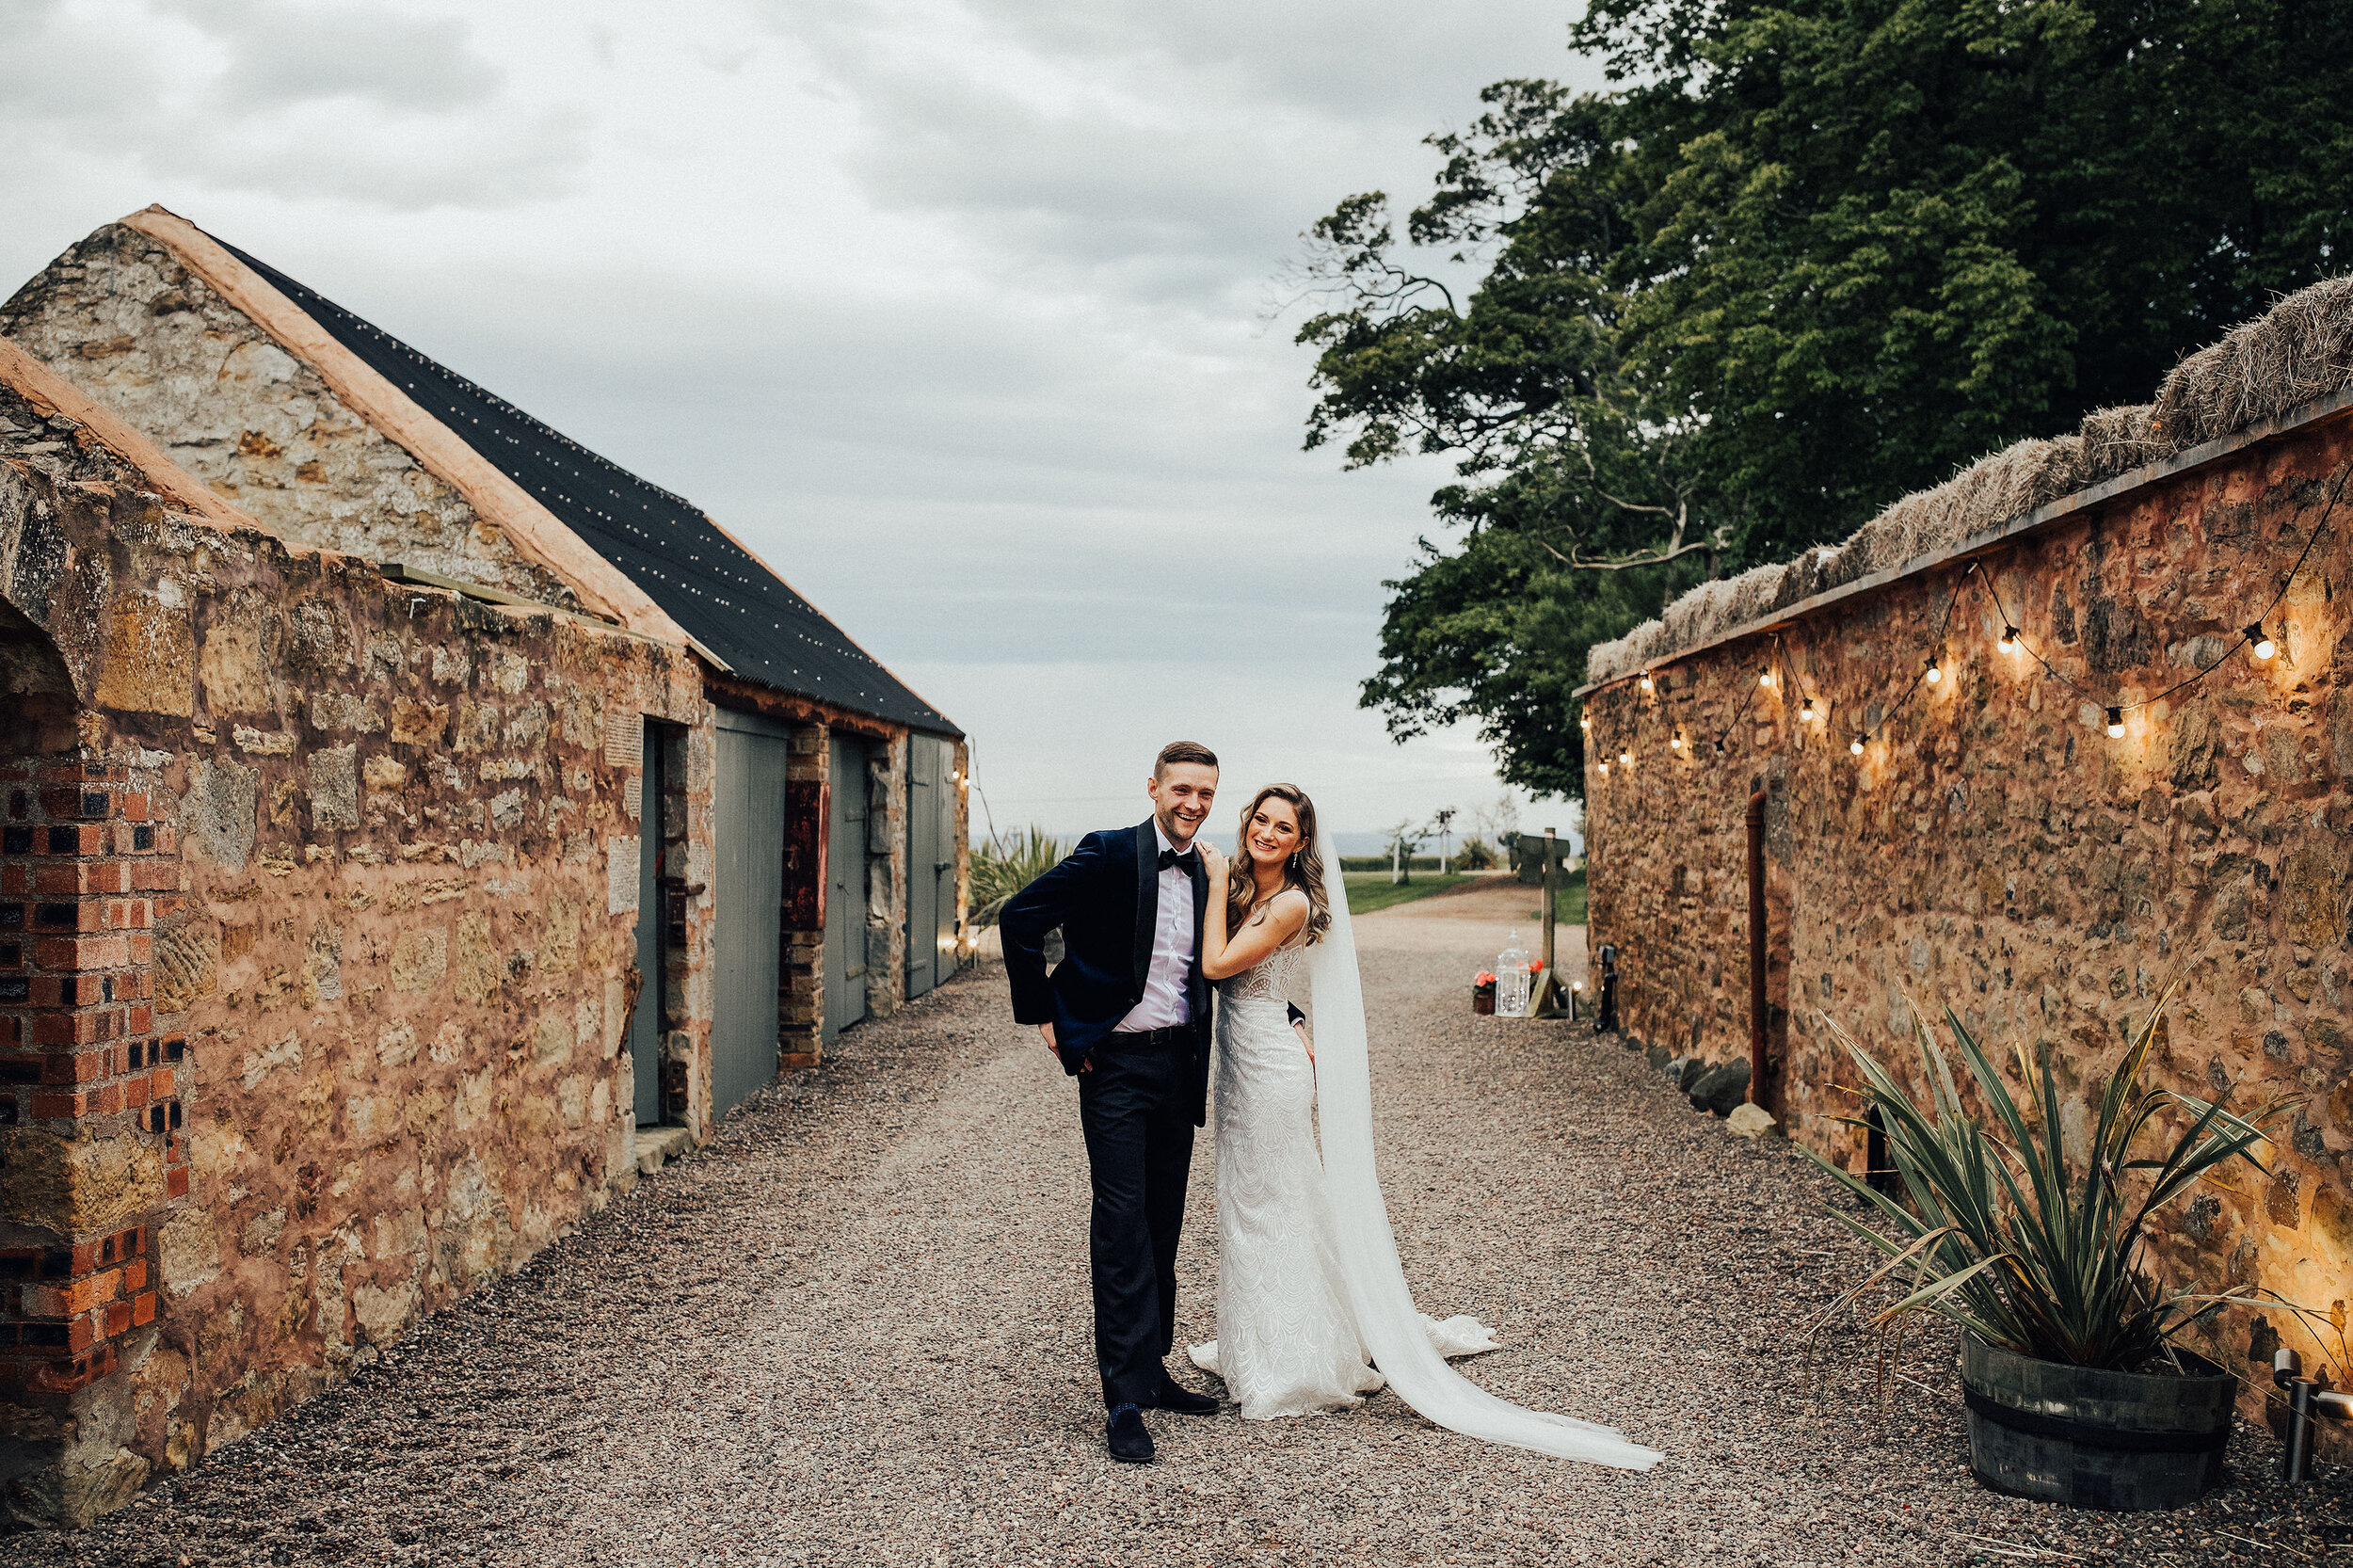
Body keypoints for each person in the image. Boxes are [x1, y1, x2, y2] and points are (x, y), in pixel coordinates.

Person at [1189, 783, 1662, 1469]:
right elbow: (1262, 982)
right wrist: (1292, 1013)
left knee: (1274, 1207)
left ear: (1300, 842)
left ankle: (1292, 1360)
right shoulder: (1248, 889)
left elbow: (1214, 965)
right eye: (1259, 820)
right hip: (1243, 1067)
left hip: (1270, 1078)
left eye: (1282, 826)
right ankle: (1257, 1341)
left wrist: (1212, 881)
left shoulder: (1287, 899)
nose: (1266, 832)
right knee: (1249, 1203)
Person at [998, 741, 1225, 1464]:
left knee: (1163, 1223)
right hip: (1116, 1068)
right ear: (1154, 787)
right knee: (1122, 1223)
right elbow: (1020, 918)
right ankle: (1123, 1399)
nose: (1193, 804)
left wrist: (1288, 1016)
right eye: (1182, 789)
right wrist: (1050, 1019)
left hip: (1178, 1065)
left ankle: (1151, 1370)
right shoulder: (1108, 854)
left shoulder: (1212, 870)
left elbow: (1241, 958)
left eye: (1206, 793)